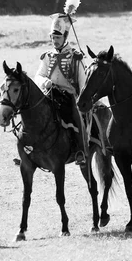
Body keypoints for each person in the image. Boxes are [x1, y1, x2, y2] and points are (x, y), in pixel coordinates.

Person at [35, 12, 88, 165]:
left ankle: (80, 150)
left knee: (76, 118)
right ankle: (31, 150)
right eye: (53, 37)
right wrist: (45, 82)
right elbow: (39, 75)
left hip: (69, 96)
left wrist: (80, 97)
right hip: (49, 94)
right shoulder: (47, 56)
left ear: (65, 37)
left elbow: (82, 82)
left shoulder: (76, 56)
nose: (55, 41)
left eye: (58, 37)